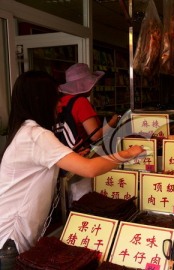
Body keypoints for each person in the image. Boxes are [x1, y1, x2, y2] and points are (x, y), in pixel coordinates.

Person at [0, 70, 145, 269]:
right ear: (40, 99)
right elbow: (90, 170)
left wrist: (73, 157)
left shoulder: (26, 130)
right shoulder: (37, 135)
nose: (60, 104)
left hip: (13, 236)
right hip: (11, 239)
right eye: (56, 98)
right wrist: (128, 153)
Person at [57, 63, 119, 151]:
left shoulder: (62, 100)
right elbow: (95, 136)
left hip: (65, 153)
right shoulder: (81, 102)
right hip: (81, 153)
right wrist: (113, 122)